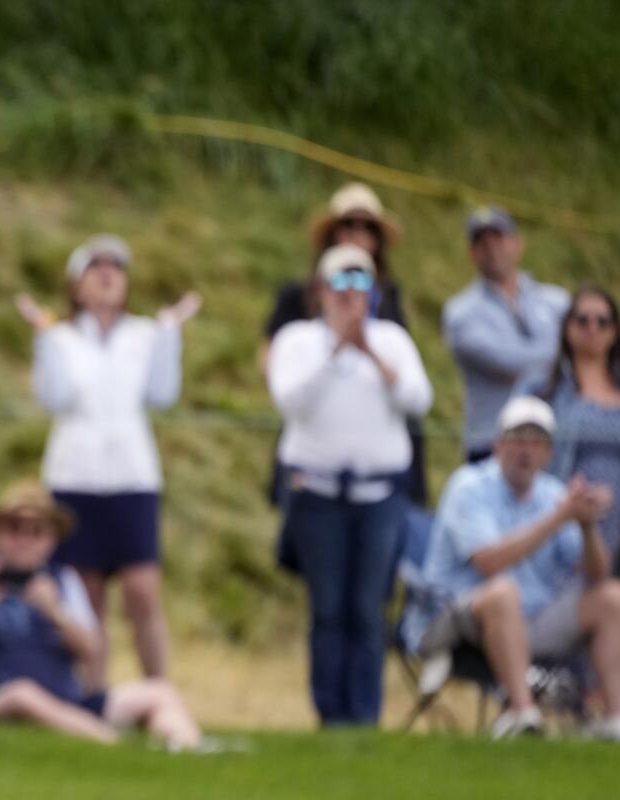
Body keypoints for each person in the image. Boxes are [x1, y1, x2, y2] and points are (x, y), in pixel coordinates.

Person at [15, 234, 200, 685]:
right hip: (75, 479)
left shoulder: (145, 334)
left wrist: (171, 335)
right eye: (95, 267)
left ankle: (159, 693)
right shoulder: (59, 336)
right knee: (88, 595)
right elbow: (55, 398)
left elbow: (162, 394)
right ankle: (94, 698)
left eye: (115, 268)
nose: (106, 274)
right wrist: (43, 339)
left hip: (133, 479)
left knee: (142, 593)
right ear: (76, 285)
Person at [267, 243, 433, 726]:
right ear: (321, 291)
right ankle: (330, 715)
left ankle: (365, 717)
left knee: (368, 609)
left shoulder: (392, 340)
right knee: (328, 609)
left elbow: (418, 399)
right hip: (316, 494)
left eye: (361, 282)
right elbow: (290, 401)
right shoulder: (298, 340)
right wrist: (336, 349)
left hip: (379, 497)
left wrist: (370, 354)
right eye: (340, 282)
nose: (350, 293)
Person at [402, 397, 620, 740]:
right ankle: (522, 714)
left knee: (611, 597)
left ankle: (613, 719)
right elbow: (489, 562)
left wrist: (587, 525)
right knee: (504, 593)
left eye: (536, 441)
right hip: (455, 618)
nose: (526, 450)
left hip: (532, 620)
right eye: (518, 438)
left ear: (549, 453)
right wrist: (559, 518)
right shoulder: (469, 486)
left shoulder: (552, 494)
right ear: (498, 444)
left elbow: (595, 574)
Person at [0, 483, 205, 750]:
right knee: (23, 694)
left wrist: (55, 612)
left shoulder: (63, 581)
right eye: (14, 528)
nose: (25, 540)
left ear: (51, 539)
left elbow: (92, 650)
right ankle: (116, 745)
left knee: (159, 692)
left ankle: (188, 748)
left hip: (66, 697)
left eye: (37, 531)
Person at [259, 183, 427, 506]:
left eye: (367, 227)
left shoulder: (390, 300)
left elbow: (412, 383)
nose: (357, 234)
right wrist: (312, 376)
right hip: (314, 432)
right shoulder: (298, 296)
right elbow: (270, 359)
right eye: (348, 224)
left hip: (380, 440)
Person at [443, 207, 569, 462]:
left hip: (555, 439)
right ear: (472, 253)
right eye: (482, 243)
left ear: (517, 244)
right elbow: (508, 362)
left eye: (498, 238)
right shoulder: (460, 313)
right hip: (491, 442)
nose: (491, 248)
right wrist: (567, 355)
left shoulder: (556, 300)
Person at [525, 286, 620, 568]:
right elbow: (518, 446)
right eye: (583, 320)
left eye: (602, 321)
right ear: (567, 327)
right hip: (567, 515)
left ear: (614, 330)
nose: (592, 328)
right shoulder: (544, 389)